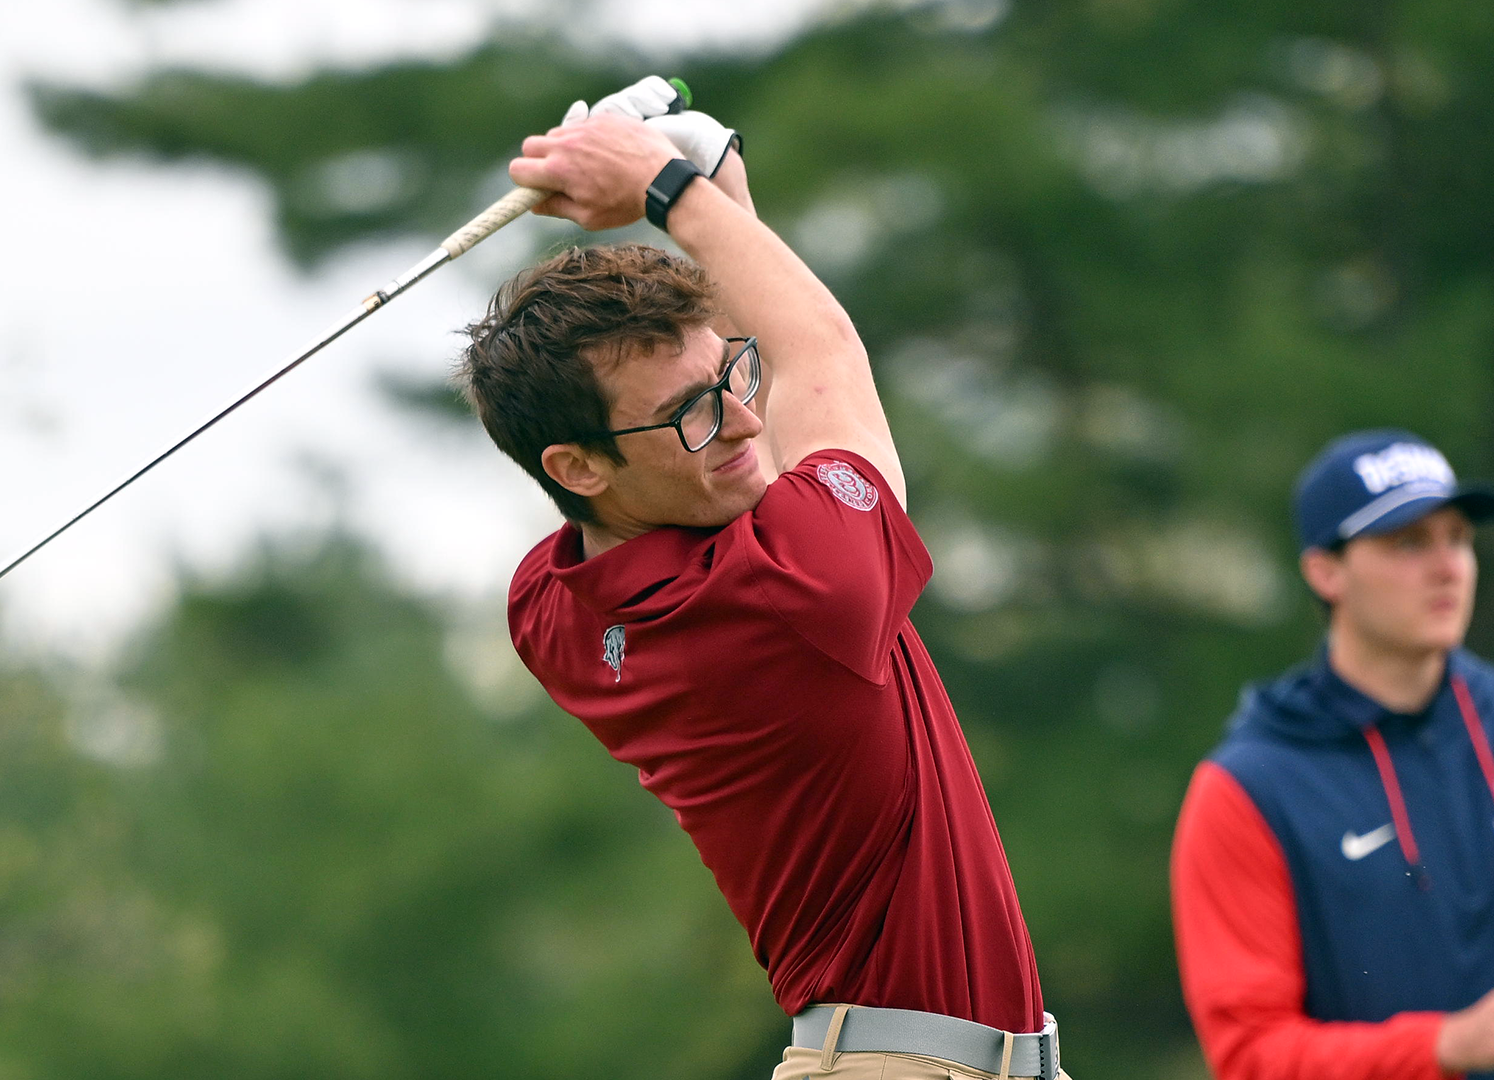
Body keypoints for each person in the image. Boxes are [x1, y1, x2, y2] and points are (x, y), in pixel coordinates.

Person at [453, 78, 1065, 1080]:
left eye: (731, 376)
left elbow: (768, 406)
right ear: (575, 467)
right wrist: (667, 189)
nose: (742, 419)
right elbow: (820, 353)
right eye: (692, 412)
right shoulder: (795, 596)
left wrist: (707, 177)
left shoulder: (549, 606)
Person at [1170, 429, 1494, 1080]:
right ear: (1325, 571)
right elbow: (1250, 1056)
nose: (1447, 566)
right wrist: (1449, 1046)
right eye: (1408, 542)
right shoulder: (1248, 788)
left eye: (1458, 538)